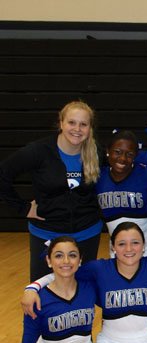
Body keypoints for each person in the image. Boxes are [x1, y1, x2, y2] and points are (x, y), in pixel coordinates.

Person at [0, 100, 102, 281]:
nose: (77, 129)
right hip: (46, 234)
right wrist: (23, 208)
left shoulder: (97, 153)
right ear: (61, 123)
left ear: (89, 128)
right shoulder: (38, 151)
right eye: (71, 122)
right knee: (42, 296)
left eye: (83, 124)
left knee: (83, 293)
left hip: (87, 234)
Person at [96, 130, 147, 257]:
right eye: (117, 152)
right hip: (117, 246)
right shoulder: (98, 177)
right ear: (108, 151)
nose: (122, 158)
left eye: (129, 154)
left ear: (136, 155)